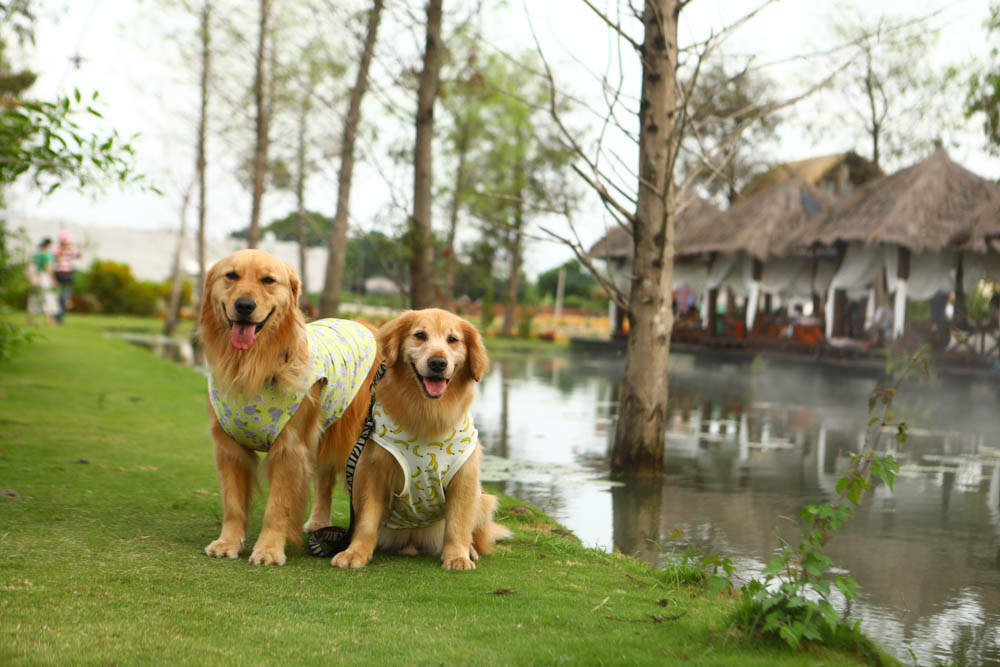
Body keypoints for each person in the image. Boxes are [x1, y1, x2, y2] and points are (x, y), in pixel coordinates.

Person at [26, 238, 58, 325]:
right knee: (48, 298)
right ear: (47, 245)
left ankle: (30, 319)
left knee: (33, 298)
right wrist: (53, 279)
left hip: (36, 277)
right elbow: (47, 268)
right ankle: (49, 320)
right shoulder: (46, 255)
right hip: (44, 278)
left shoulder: (36, 254)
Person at [52, 230, 80, 324]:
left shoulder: (70, 249)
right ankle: (56, 317)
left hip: (68, 275)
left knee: (64, 297)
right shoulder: (56, 249)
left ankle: (60, 317)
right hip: (58, 274)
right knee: (58, 296)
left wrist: (79, 248)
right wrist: (63, 249)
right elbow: (56, 257)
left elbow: (78, 256)